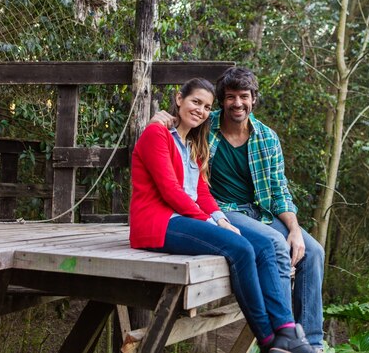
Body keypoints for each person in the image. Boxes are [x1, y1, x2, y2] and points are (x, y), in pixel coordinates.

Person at [130, 78, 314, 353]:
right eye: (195, 102)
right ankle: (268, 339)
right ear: (179, 99)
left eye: (206, 106)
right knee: (241, 247)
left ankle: (286, 330)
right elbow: (170, 191)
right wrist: (207, 221)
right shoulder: (157, 134)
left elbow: (202, 192)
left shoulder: (193, 143)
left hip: (182, 220)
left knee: (246, 243)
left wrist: (221, 219)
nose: (200, 110)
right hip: (157, 224)